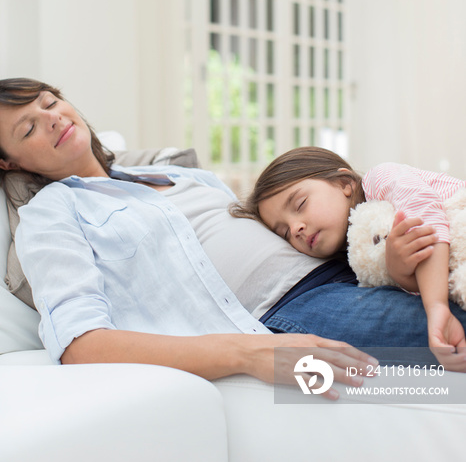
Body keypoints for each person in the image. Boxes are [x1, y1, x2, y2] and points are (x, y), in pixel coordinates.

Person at [0, 78, 376, 399]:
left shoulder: (173, 175)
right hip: (288, 309)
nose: (52, 119)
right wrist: (250, 353)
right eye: (28, 128)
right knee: (433, 343)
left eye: (50, 102)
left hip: (344, 271)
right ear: (8, 163)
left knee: (432, 336)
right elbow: (79, 345)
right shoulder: (49, 213)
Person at [232, 146, 466, 371]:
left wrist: (436, 306)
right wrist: (400, 273)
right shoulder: (356, 265)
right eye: (284, 232)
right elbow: (439, 280)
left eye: (300, 204)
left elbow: (425, 216)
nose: (296, 228)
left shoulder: (381, 179)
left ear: (345, 183)